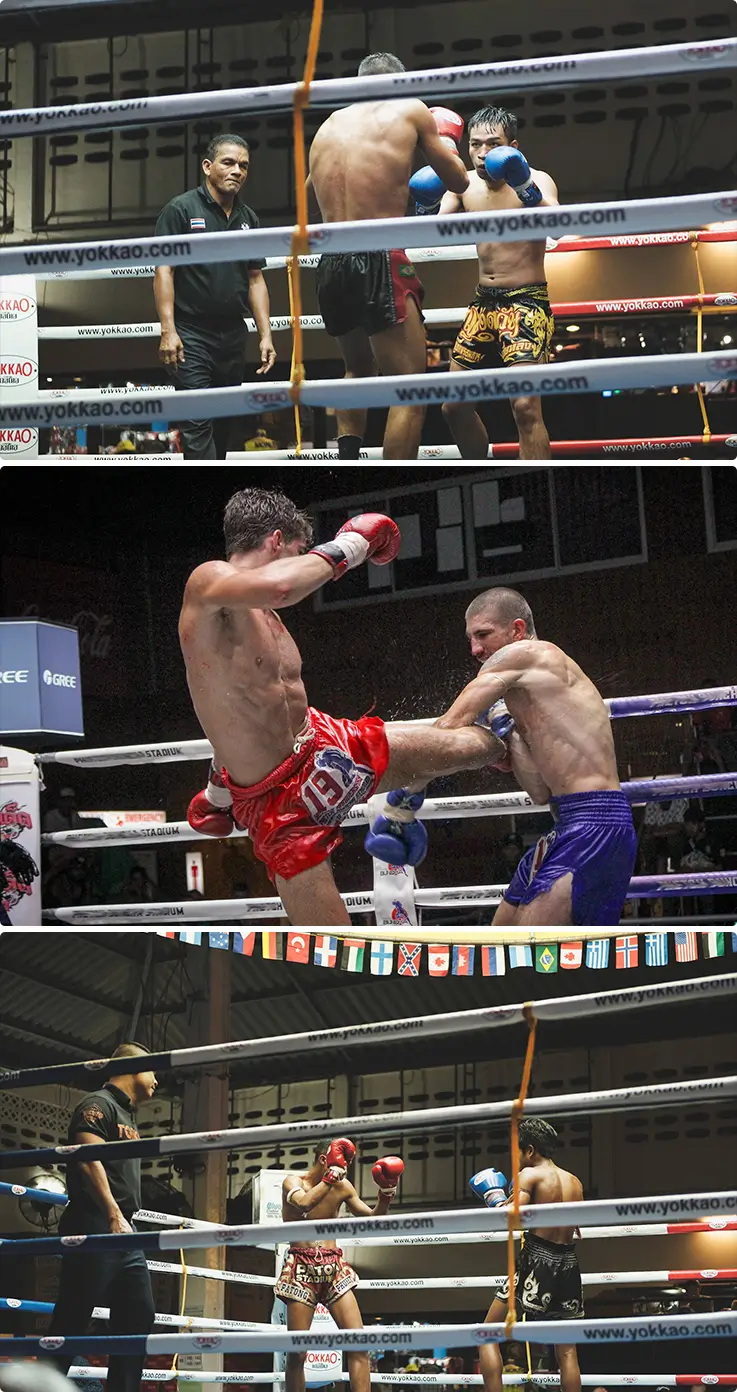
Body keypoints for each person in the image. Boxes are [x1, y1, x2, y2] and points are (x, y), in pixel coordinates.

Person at [180, 488, 507, 927]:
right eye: (298, 552)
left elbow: (238, 714)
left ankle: (510, 731)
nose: (302, 562)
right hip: (278, 802)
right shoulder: (208, 583)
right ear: (277, 541)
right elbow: (283, 585)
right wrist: (353, 543)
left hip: (321, 746)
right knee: (336, 946)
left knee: (472, 749)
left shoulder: (267, 621)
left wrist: (216, 794)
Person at [429, 585, 637, 925]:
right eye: (470, 639)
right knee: (501, 939)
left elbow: (451, 723)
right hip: (567, 822)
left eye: (483, 634)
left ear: (517, 630)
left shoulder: (527, 654)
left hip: (595, 824)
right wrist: (508, 731)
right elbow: (540, 792)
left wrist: (404, 779)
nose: (475, 649)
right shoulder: (526, 691)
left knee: (532, 957)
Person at [307, 53, 469, 459]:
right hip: (379, 254)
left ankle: (347, 460)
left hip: (331, 261)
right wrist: (446, 141)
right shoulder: (410, 110)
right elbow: (458, 180)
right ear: (400, 85)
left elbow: (310, 190)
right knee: (410, 388)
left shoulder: (327, 126)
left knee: (356, 370)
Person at [436, 106, 559, 460]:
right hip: (482, 303)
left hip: (526, 302)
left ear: (513, 146)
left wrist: (526, 188)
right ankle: (481, 465)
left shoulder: (537, 178)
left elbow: (559, 225)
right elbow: (433, 233)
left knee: (525, 408)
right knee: (453, 408)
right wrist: (425, 203)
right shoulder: (461, 184)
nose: (483, 153)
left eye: (493, 144)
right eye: (475, 144)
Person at [154, 133, 277, 460]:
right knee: (197, 425)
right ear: (207, 166)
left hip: (233, 335)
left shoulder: (248, 219)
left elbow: (256, 279)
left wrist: (265, 334)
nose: (237, 170)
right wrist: (169, 330)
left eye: (244, 165)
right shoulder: (180, 210)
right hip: (192, 334)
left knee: (223, 426)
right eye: (228, 162)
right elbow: (164, 271)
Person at [45, 1043, 158, 1392]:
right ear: (134, 1068)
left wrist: (122, 1220)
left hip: (125, 1229)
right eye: (152, 1069)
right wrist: (112, 1214)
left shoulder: (128, 1116)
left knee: (139, 1316)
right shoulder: (98, 1104)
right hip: (95, 1223)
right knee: (73, 1319)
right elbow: (88, 1159)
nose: (157, 1080)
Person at [276, 1137, 404, 1392]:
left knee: (358, 1344)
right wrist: (330, 1178)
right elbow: (304, 1204)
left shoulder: (342, 1185)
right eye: (341, 1162)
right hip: (302, 1266)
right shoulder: (293, 1182)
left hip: (334, 1267)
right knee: (297, 1354)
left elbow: (371, 1220)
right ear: (324, 1160)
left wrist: (386, 1194)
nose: (345, 1168)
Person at [470, 1118, 584, 1392]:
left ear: (530, 1150)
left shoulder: (529, 1176)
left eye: (519, 1152)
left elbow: (513, 1219)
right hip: (568, 1262)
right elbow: (576, 1227)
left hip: (536, 1261)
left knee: (486, 1335)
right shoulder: (575, 1182)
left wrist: (496, 1201)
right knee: (567, 1351)